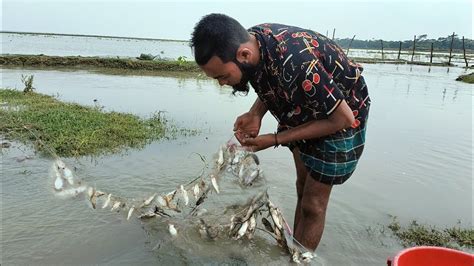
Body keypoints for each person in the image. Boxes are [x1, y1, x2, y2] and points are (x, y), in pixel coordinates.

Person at [190, 13, 370, 251]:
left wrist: (274, 139)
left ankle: (301, 259)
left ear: (244, 55)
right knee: (301, 187)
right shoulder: (252, 42)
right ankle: (294, 249)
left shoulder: (298, 62)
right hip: (302, 108)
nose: (221, 83)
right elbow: (272, 77)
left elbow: (342, 118)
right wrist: (256, 113)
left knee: (313, 205)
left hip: (340, 116)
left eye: (223, 76)